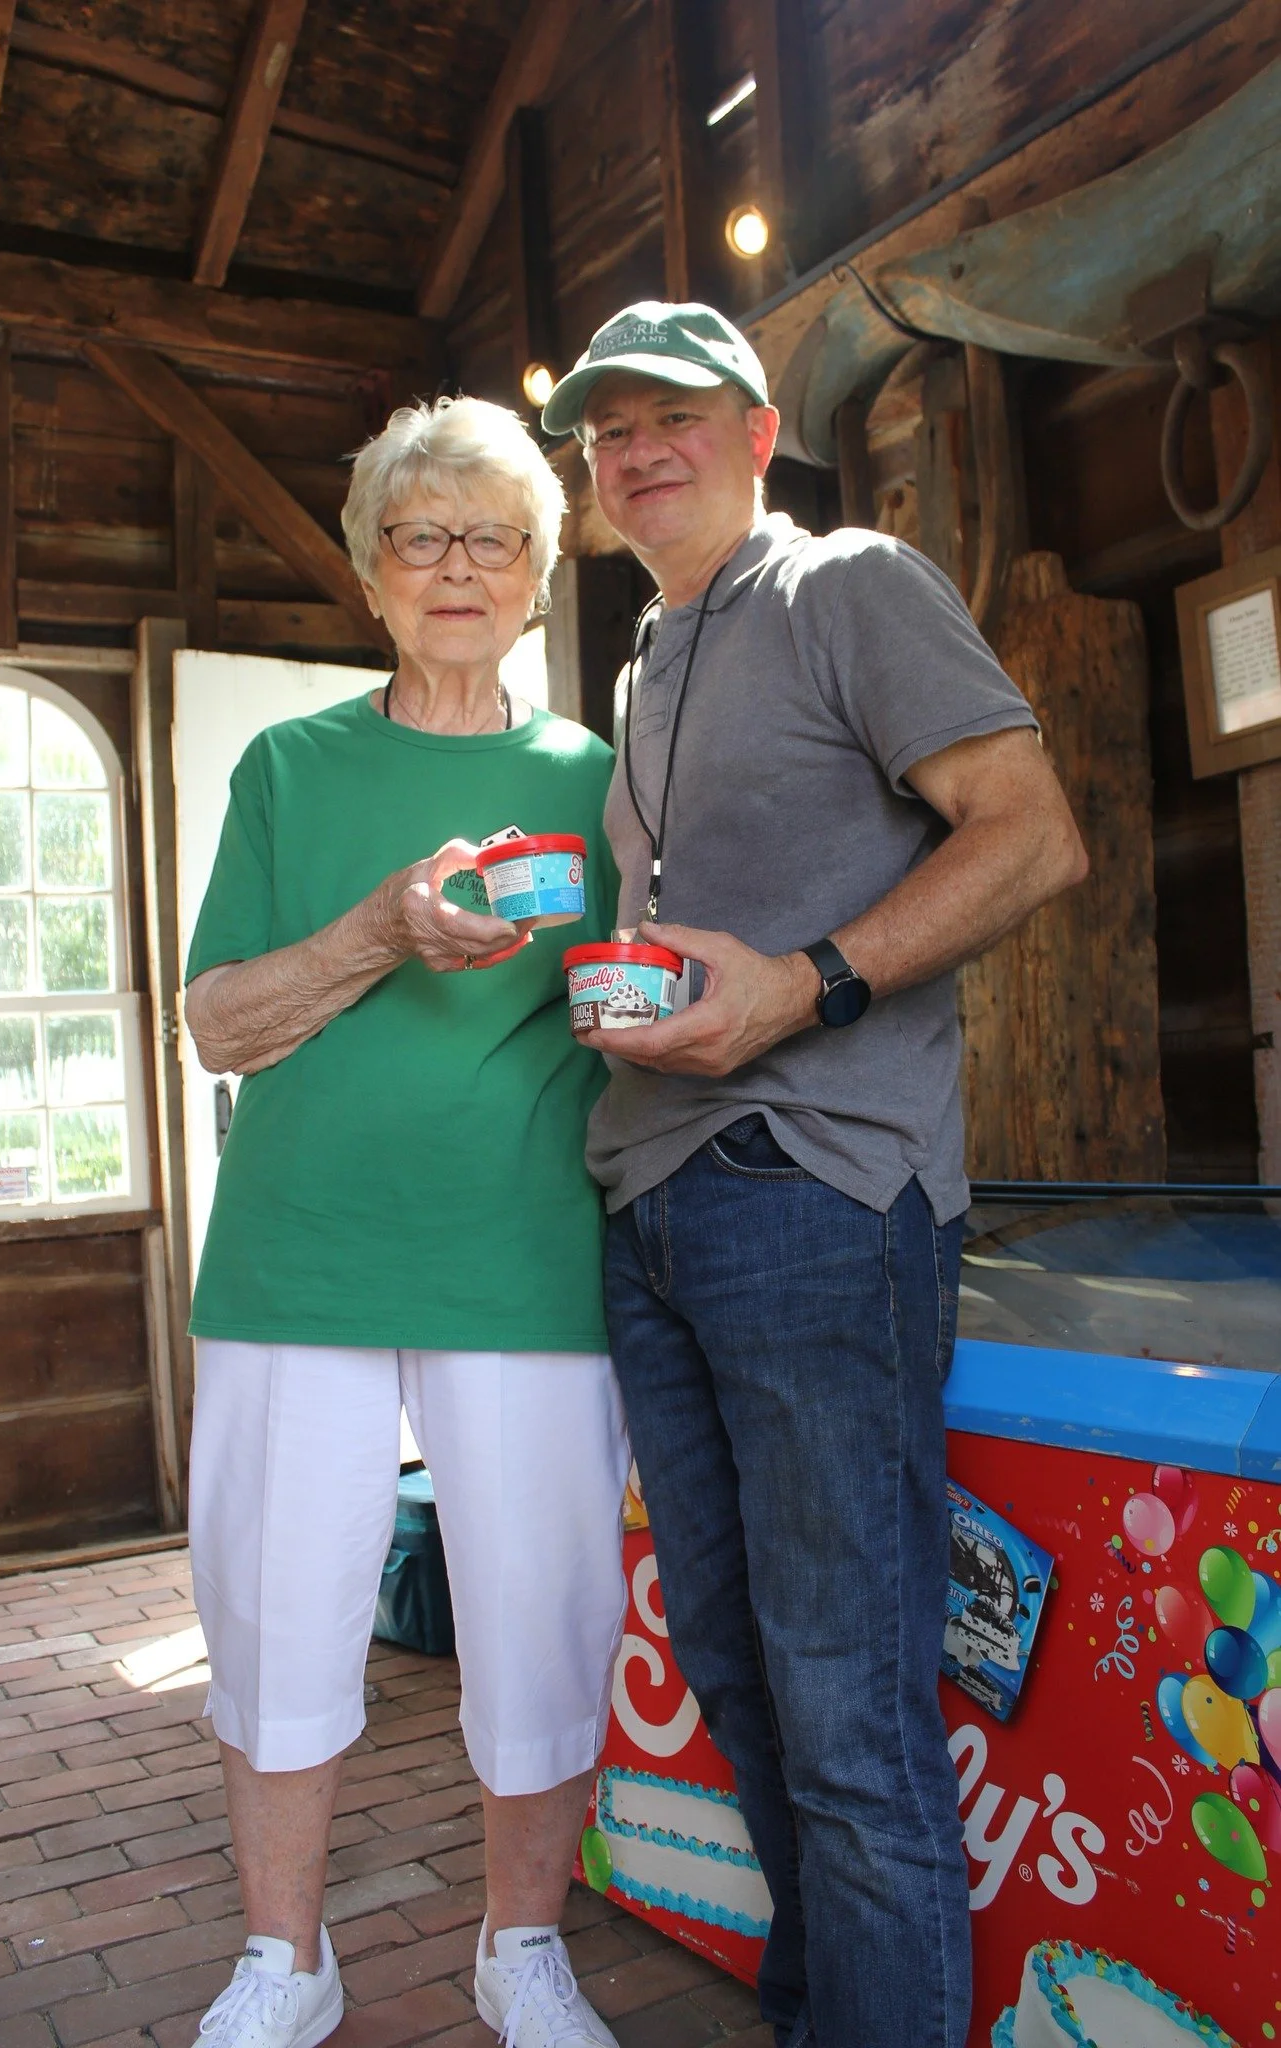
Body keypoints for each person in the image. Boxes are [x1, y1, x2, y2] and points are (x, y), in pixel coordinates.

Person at [539, 304, 1088, 2048]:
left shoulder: (850, 582)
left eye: (670, 416)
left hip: (814, 1190)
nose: (634, 451)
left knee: (848, 1716)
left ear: (761, 430)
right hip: (650, 1205)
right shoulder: (639, 660)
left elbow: (1034, 832)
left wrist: (809, 986)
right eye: (604, 430)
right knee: (744, 1686)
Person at [182, 396, 628, 2048]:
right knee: (276, 1601)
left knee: (547, 1603)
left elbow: (626, 1005)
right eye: (420, 537)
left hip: (523, 1256)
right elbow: (220, 1022)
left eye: (493, 538)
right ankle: (283, 1962)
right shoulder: (292, 767)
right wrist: (378, 928)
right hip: (299, 1253)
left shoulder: (596, 776)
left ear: (536, 574)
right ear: (372, 573)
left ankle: (523, 1949)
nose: (457, 567)